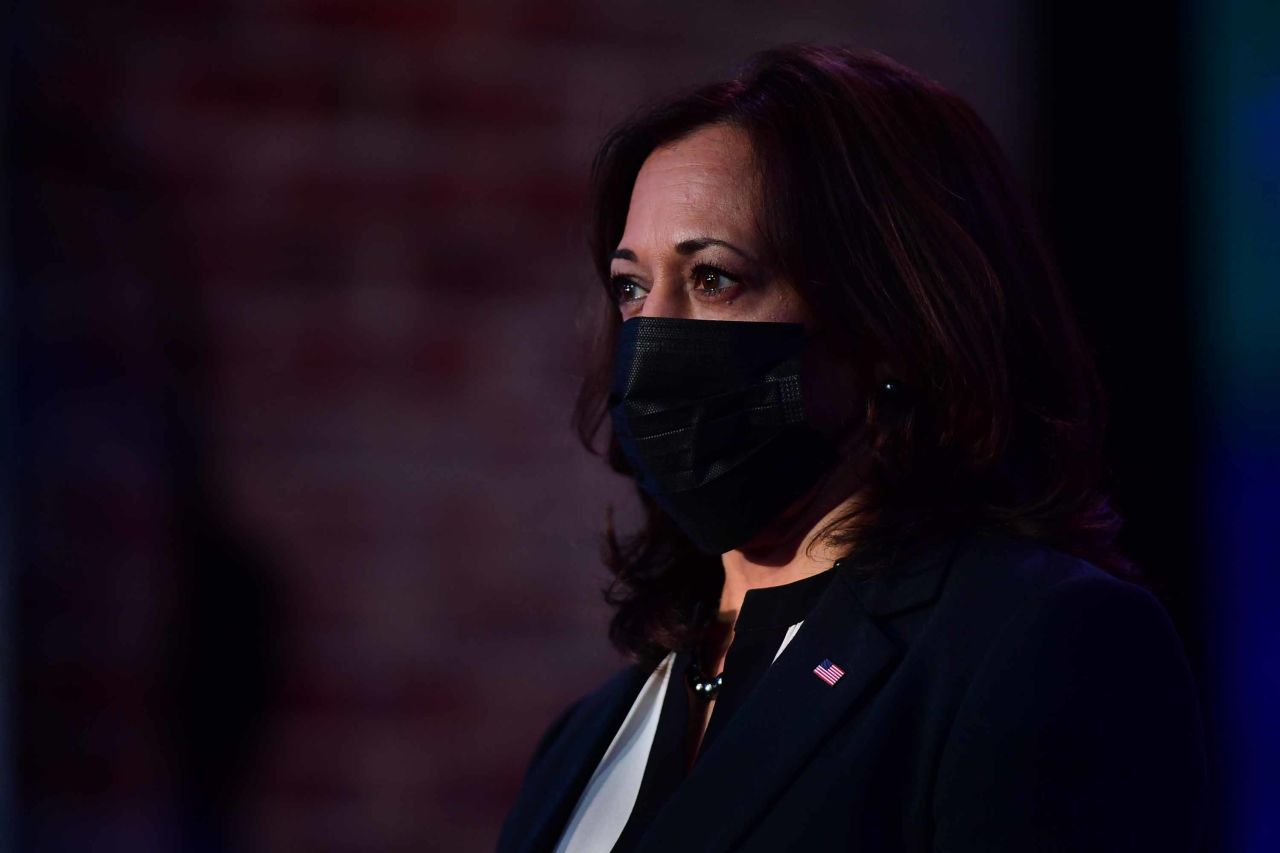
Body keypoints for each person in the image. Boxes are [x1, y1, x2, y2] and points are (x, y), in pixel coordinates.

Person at [497, 43, 1207, 853]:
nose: (653, 336)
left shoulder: (1040, 646)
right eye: (632, 287)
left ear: (889, 325)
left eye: (715, 278)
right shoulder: (581, 739)